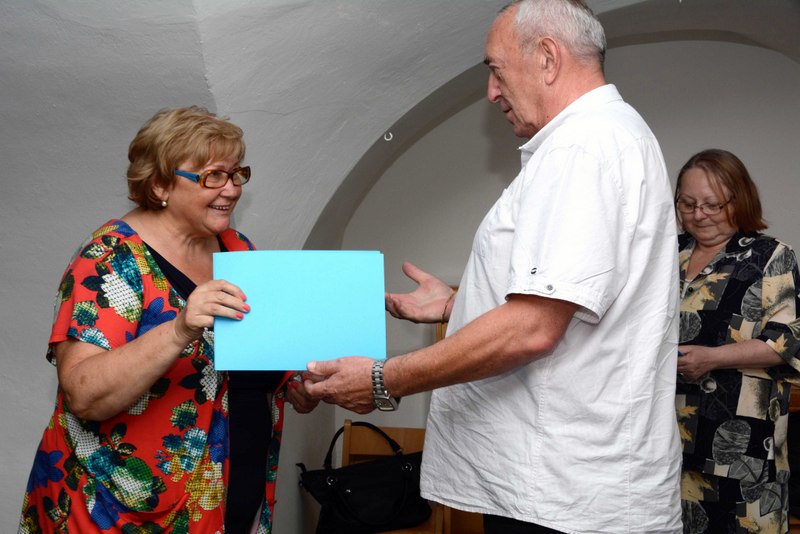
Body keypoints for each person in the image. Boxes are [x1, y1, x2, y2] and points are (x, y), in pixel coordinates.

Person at [304, 1, 682, 532]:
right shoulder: (605, 137)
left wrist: (383, 380)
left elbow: (532, 328)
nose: (491, 92)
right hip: (567, 486)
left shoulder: (583, 147)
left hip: (564, 495)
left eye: (496, 71)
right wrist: (459, 305)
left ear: (547, 57)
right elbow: (576, 303)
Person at [18, 106, 317, 534]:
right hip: (119, 511)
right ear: (159, 185)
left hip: (230, 495)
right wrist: (180, 328)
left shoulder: (236, 248)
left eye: (236, 173)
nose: (232, 188)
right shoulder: (110, 259)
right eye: (213, 176)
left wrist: (291, 380)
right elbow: (84, 393)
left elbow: (246, 350)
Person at [674, 149, 800, 533]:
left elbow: (787, 340)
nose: (699, 215)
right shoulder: (664, 255)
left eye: (712, 204)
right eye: (688, 204)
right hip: (666, 445)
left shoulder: (770, 256)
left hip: (744, 453)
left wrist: (712, 358)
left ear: (739, 200)